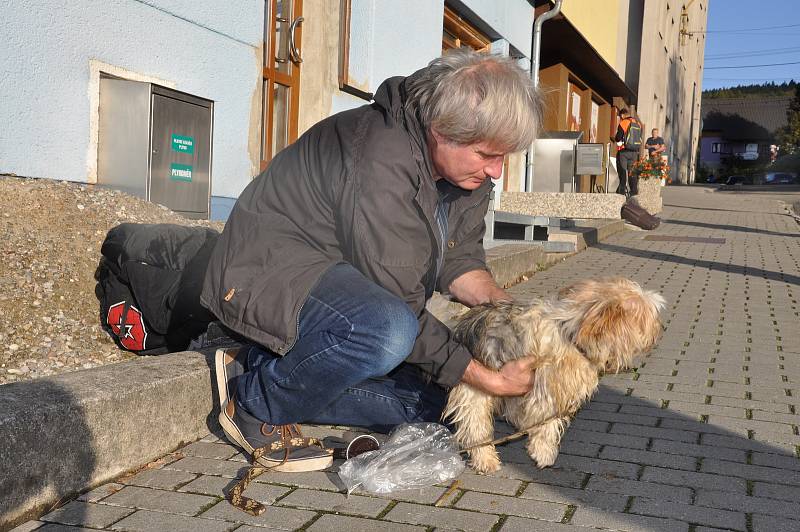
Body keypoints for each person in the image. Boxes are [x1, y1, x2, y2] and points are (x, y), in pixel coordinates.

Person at [200, 50, 544, 472]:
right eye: (488, 155)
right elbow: (400, 306)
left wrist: (510, 314)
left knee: (444, 408)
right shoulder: (382, 159)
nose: (496, 171)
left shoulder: (464, 173)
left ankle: (270, 367)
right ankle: (256, 400)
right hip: (265, 273)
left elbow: (461, 260)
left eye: (503, 157)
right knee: (388, 332)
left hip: (341, 283)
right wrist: (489, 380)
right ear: (443, 130)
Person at [613, 108, 643, 197]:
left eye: (620, 116)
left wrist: (616, 138)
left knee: (622, 170)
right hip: (634, 152)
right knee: (632, 172)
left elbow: (618, 137)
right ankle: (633, 192)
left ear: (622, 115)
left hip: (624, 151)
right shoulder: (638, 123)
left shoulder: (624, 122)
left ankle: (621, 192)